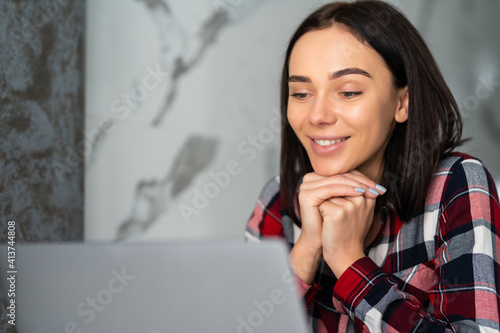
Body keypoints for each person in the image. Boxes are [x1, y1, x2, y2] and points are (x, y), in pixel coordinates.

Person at [245, 1, 500, 332]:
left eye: (348, 92)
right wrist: (307, 250)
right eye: (302, 93)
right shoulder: (278, 199)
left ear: (402, 102)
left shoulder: (456, 185)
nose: (317, 116)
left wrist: (349, 263)